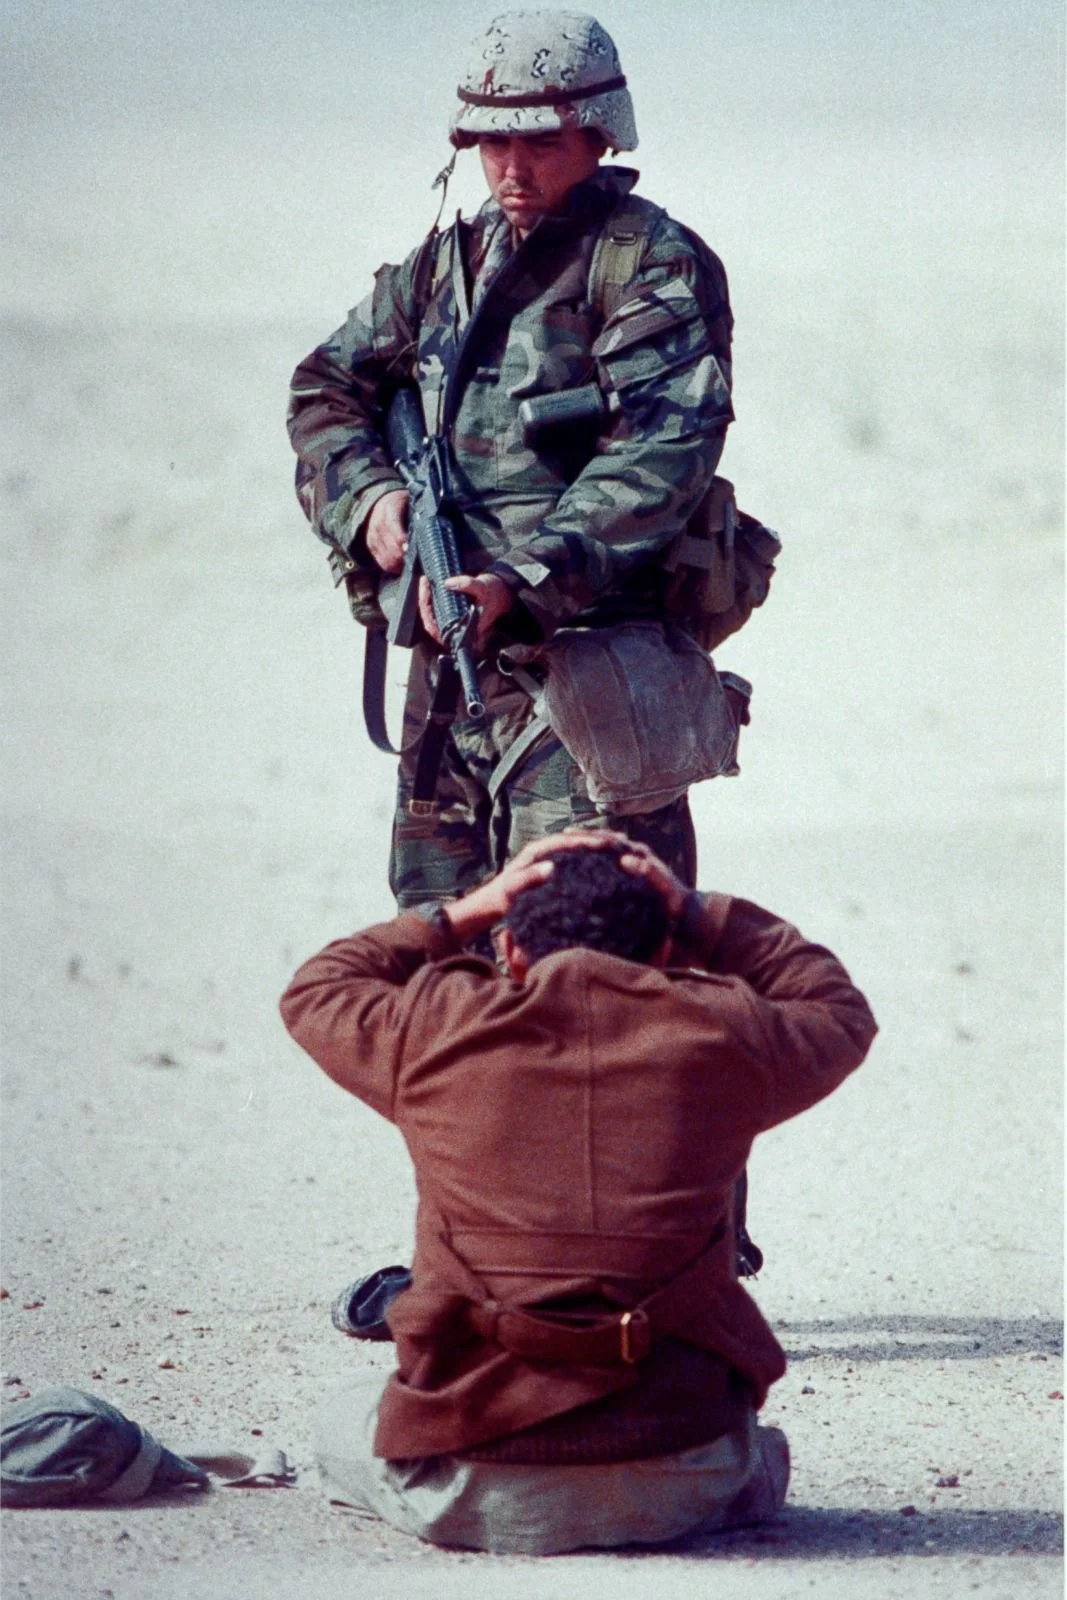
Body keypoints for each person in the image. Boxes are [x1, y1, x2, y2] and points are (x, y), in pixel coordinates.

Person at [280, 834, 877, 1554]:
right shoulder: (724, 1034)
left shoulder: (434, 1029)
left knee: (345, 1413)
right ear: (664, 951)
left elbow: (317, 989)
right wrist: (702, 913)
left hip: (474, 1483)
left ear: (511, 950)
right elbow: (837, 1009)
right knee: (745, 1444)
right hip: (681, 1476)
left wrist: (466, 911)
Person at [287, 10, 741, 911]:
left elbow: (661, 455)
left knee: (587, 947)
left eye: (538, 144)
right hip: (450, 671)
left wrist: (521, 582)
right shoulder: (442, 268)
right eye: (492, 143)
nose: (511, 169)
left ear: (598, 135)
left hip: (589, 672)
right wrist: (372, 505)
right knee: (440, 945)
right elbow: (325, 389)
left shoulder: (651, 266)